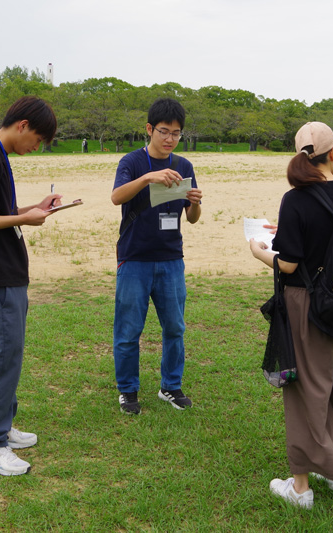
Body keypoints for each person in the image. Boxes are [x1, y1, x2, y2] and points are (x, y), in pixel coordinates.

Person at [250, 122, 333, 509]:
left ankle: (300, 487)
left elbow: (289, 264)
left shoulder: (294, 199)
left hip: (306, 305)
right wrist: (289, 231)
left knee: (304, 391)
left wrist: (260, 251)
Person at [0, 96, 61, 476]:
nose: (36, 147)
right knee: (1, 358)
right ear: (21, 125)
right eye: (37, 139)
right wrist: (28, 220)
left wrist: (34, 208)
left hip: (7, 273)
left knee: (10, 354)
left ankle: (2, 427)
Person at [111, 97, 203, 415]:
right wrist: (148, 178)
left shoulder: (184, 167)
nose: (169, 139)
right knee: (128, 331)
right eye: (164, 131)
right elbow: (116, 197)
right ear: (149, 129)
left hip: (170, 259)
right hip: (134, 258)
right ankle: (128, 391)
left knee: (175, 328)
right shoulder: (131, 162)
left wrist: (195, 201)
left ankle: (170, 386)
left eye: (176, 133)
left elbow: (191, 218)